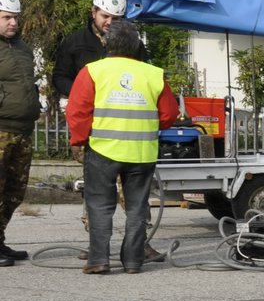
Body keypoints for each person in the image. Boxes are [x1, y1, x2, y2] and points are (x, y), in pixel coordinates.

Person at [65, 20, 180, 275]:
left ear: (107, 43)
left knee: (99, 206)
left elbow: (78, 111)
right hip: (142, 153)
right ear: (137, 45)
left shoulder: (93, 71)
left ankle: (98, 260)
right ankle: (133, 261)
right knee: (137, 208)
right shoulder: (154, 74)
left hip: (103, 151)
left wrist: (79, 140)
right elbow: (170, 114)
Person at [0, 0, 41, 267]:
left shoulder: (23, 47)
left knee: (14, 191)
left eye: (15, 17)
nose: (13, 22)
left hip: (23, 130)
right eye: (6, 18)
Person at [52, 0, 125, 100]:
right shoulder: (74, 42)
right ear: (94, 12)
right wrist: (83, 94)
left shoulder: (132, 45)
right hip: (86, 110)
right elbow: (60, 78)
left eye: (115, 19)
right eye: (105, 16)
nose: (109, 22)